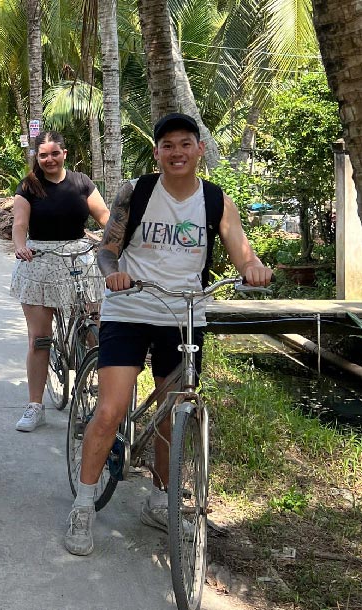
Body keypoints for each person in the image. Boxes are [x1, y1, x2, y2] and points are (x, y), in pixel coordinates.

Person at [63, 114, 273, 556]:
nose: (177, 152)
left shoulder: (216, 200)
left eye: (185, 144)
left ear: (199, 149)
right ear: (157, 152)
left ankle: (160, 500)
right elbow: (108, 249)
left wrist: (253, 268)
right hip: (130, 309)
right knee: (110, 410)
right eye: (168, 145)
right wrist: (113, 273)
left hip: (184, 315)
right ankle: (83, 504)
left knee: (172, 413)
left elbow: (242, 253)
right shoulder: (135, 192)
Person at [9, 130, 110, 432]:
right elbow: (20, 224)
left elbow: (105, 216)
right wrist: (20, 246)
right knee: (40, 338)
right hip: (39, 261)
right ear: (37, 157)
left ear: (64, 154)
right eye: (43, 155)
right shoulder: (28, 187)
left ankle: (96, 393)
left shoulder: (82, 182)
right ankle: (35, 406)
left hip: (79, 259)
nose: (49, 159)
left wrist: (118, 238)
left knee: (95, 328)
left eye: (54, 153)